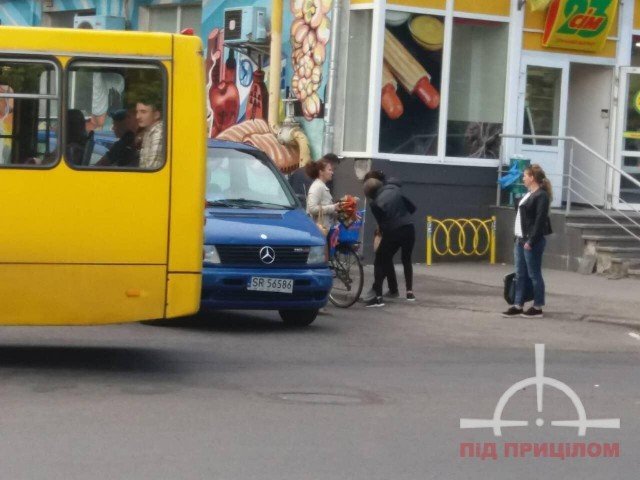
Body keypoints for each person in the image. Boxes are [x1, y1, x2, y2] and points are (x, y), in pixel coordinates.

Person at [502, 164, 553, 318]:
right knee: (520, 274)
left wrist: (531, 240)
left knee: (534, 274)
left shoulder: (541, 196)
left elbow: (539, 220)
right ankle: (518, 304)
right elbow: (521, 214)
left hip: (531, 241)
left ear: (532, 178)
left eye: (525, 176)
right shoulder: (528, 194)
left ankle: (537, 307)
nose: (523, 178)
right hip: (520, 239)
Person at [363, 177, 416, 308]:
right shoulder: (394, 189)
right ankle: (409, 293)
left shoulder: (374, 204)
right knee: (406, 259)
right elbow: (412, 207)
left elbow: (382, 223)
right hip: (409, 227)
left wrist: (380, 235)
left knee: (380, 260)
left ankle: (378, 298)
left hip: (394, 230)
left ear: (369, 194)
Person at [306, 158, 340, 235]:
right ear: (321, 172)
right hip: (318, 231)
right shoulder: (317, 187)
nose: (332, 172)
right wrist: (333, 207)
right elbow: (312, 208)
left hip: (323, 230)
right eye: (329, 170)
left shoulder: (321, 186)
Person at [136, 98, 163, 169]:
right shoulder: (148, 132)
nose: (137, 116)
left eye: (143, 112)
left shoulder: (159, 133)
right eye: (137, 112)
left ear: (156, 115)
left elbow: (152, 168)